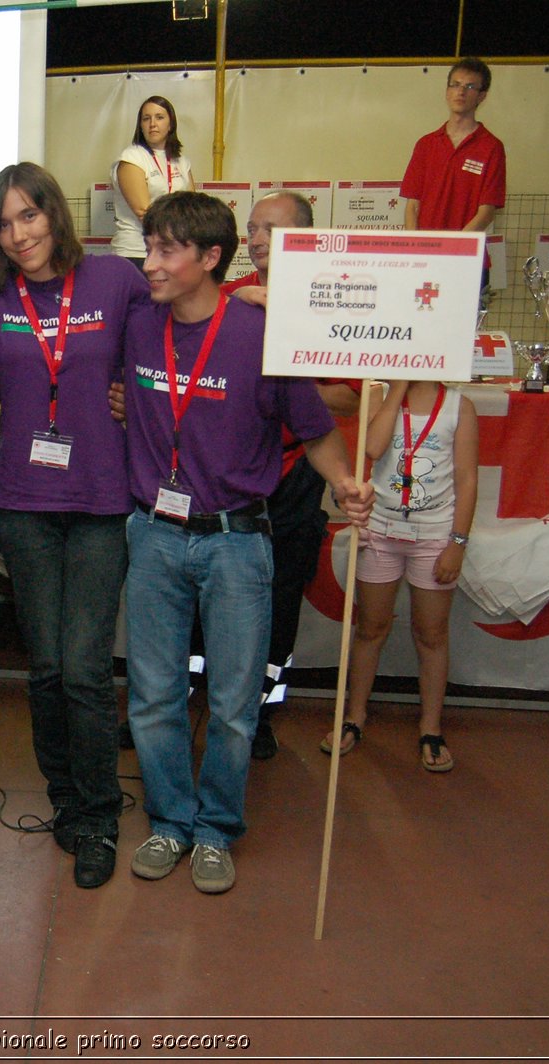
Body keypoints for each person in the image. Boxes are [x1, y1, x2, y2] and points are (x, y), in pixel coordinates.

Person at [123, 191, 371, 895]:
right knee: (154, 695)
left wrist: (346, 483)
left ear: (210, 258)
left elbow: (316, 427)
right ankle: (170, 821)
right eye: (149, 246)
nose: (152, 263)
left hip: (236, 542)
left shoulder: (261, 334)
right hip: (153, 535)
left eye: (168, 249)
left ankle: (215, 830)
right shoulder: (138, 323)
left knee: (234, 703)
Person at [0, 163, 150, 887]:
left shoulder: (113, 282)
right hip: (25, 505)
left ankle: (101, 812)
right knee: (44, 668)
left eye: (29, 218)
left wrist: (138, 396)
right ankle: (66, 801)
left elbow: (173, 339)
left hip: (102, 502)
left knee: (83, 669)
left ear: (55, 216)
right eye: (4, 225)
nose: (19, 235)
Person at [212, 190, 364, 760]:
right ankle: (200, 707)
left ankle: (263, 714)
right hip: (227, 476)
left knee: (279, 603)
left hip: (295, 476)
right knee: (208, 600)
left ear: (304, 235)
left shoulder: (331, 307)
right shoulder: (228, 297)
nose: (254, 238)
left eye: (268, 229)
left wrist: (285, 388)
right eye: (250, 228)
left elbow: (349, 402)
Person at [322, 378, 478, 773]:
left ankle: (430, 725)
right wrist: (397, 389)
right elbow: (372, 449)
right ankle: (355, 716)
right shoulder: (381, 394)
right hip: (382, 528)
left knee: (431, 633)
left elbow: (467, 478)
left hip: (434, 534)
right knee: (371, 627)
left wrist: (457, 542)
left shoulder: (460, 406)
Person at [401, 58, 506, 236]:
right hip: (426, 256)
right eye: (455, 85)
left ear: (482, 96)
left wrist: (454, 249)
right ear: (447, 91)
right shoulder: (426, 144)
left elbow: (486, 212)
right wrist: (415, 247)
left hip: (467, 258)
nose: (461, 92)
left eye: (470, 86)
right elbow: (412, 206)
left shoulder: (492, 147)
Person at [112, 96, 193, 271]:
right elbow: (144, 212)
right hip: (137, 253)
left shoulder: (182, 161)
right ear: (140, 125)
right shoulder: (132, 157)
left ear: (171, 124)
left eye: (159, 117)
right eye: (146, 118)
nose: (152, 124)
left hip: (173, 250)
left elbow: (192, 207)